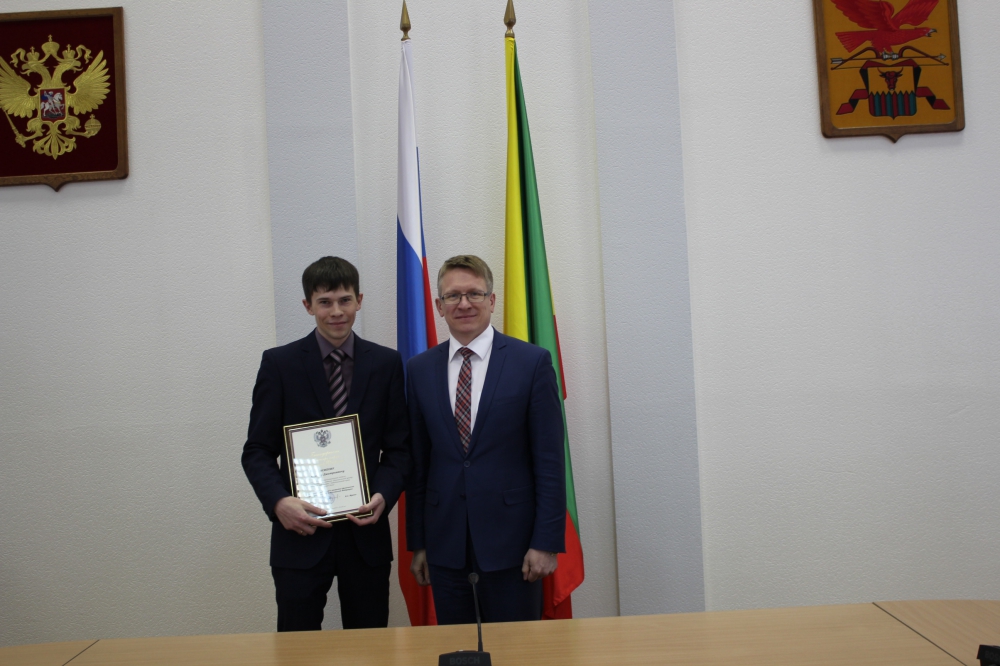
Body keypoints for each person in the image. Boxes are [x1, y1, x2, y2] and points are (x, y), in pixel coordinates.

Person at [242, 256, 410, 631]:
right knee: (298, 648)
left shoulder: (386, 364)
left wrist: (383, 496)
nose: (336, 311)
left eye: (345, 300)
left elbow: (399, 450)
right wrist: (279, 502)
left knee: (370, 649)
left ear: (359, 300)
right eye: (325, 302)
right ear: (308, 306)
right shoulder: (279, 364)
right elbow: (257, 451)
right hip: (299, 534)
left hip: (365, 535)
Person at [405, 254, 565, 624]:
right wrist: (419, 543)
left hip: (514, 547)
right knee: (457, 648)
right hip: (445, 547)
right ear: (439, 306)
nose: (464, 303)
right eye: (453, 296)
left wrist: (545, 542)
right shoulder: (419, 370)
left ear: (492, 300)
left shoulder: (531, 363)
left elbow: (550, 462)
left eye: (474, 293)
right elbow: (419, 464)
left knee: (516, 650)